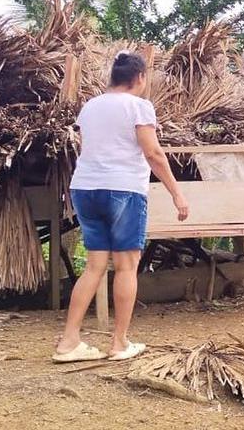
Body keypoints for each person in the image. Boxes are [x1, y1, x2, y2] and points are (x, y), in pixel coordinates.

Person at [53, 52, 190, 363]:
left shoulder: (90, 106)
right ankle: (119, 343)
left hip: (85, 188)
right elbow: (153, 153)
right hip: (123, 190)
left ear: (113, 77)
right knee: (126, 266)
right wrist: (176, 193)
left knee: (94, 266)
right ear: (140, 77)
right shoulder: (139, 106)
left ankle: (69, 342)